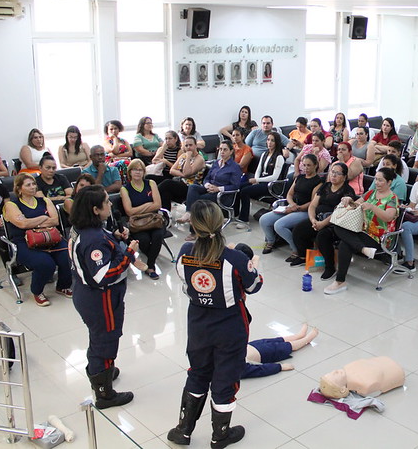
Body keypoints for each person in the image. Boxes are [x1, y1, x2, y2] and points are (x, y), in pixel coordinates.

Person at [167, 201, 262, 448]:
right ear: (221, 223)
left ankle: (183, 430)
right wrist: (254, 267)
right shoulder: (236, 258)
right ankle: (220, 434)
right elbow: (254, 286)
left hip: (198, 324)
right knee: (225, 378)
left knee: (198, 372)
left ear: (193, 226)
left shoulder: (184, 251)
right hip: (230, 327)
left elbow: (184, 279)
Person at [69, 185, 137, 409]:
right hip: (101, 299)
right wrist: (128, 254)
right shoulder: (94, 240)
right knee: (106, 340)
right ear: (95, 209)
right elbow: (104, 276)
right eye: (107, 202)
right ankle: (104, 393)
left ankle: (101, 371)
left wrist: (114, 238)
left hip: (88, 295)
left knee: (98, 336)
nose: (110, 204)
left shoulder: (87, 229)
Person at [317, 167, 399, 295]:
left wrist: (372, 207)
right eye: (376, 179)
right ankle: (361, 250)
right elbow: (355, 205)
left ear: (389, 182)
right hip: (361, 231)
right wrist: (349, 201)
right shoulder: (370, 193)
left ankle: (340, 281)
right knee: (338, 226)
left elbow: (388, 217)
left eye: (380, 180)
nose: (377, 182)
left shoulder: (392, 199)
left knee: (345, 243)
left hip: (379, 237)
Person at [3, 173, 72, 307]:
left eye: (34, 184)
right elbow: (22, 225)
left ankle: (63, 286)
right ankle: (37, 291)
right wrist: (43, 218)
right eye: (28, 185)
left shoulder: (45, 201)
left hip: (50, 238)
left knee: (67, 255)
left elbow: (55, 220)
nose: (33, 187)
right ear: (19, 188)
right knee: (45, 264)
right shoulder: (11, 205)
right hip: (24, 242)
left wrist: (31, 222)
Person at [290, 162, 357, 267]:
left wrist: (323, 224)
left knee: (322, 236)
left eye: (338, 173)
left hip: (335, 222)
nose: (334, 175)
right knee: (298, 230)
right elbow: (312, 205)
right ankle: (303, 257)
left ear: (344, 177)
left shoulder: (348, 191)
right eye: (332, 172)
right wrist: (313, 220)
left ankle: (330, 266)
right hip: (318, 219)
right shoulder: (326, 186)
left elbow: (339, 213)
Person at [259, 154, 321, 256]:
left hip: (305, 211)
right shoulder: (299, 178)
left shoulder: (318, 182)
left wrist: (296, 208)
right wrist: (292, 205)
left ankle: (295, 247)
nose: (306, 168)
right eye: (304, 165)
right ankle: (271, 241)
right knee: (264, 219)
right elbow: (289, 194)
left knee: (279, 225)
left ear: (315, 165)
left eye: (309, 165)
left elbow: (313, 202)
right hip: (292, 207)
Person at [120, 159, 166, 279]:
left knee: (158, 236)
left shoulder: (151, 183)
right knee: (144, 240)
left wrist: (139, 208)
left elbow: (158, 205)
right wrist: (147, 205)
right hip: (137, 224)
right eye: (135, 169)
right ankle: (152, 258)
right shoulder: (125, 189)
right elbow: (129, 211)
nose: (138, 172)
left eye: (140, 170)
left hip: (154, 220)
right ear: (130, 172)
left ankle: (150, 266)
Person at [183, 140, 242, 223]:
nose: (222, 152)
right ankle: (189, 213)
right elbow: (207, 178)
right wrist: (207, 185)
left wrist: (218, 189)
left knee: (198, 201)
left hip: (223, 194)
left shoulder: (235, 167)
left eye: (225, 150)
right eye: (221, 149)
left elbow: (235, 186)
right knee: (192, 187)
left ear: (231, 151)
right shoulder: (216, 163)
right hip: (210, 189)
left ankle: (194, 223)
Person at [237, 133, 285, 224]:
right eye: (268, 140)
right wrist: (256, 179)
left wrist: (257, 180)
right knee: (239, 187)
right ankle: (236, 213)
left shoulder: (279, 157)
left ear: (277, 143)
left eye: (272, 140)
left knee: (245, 191)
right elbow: (258, 170)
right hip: (261, 181)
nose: (269, 142)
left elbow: (274, 177)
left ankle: (244, 219)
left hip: (270, 185)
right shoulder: (264, 154)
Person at [242, 325, 319, 378]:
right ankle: (305, 340)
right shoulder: (233, 370)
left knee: (272, 340)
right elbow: (257, 370)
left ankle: (298, 336)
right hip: (260, 353)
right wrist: (280, 367)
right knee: (282, 347)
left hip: (248, 346)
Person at [318, 357, 405, 399]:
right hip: (396, 371)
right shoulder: (365, 385)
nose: (334, 371)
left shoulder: (347, 368)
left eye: (330, 372)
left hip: (385, 362)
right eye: (334, 376)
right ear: (342, 389)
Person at [157, 137, 206, 211]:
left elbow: (187, 173)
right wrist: (182, 175)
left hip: (190, 186)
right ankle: (166, 215)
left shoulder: (199, 159)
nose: (188, 147)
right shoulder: (183, 156)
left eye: (190, 145)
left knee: (166, 183)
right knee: (154, 180)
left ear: (196, 145)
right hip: (180, 181)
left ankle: (152, 200)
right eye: (186, 146)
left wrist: (188, 157)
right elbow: (172, 170)